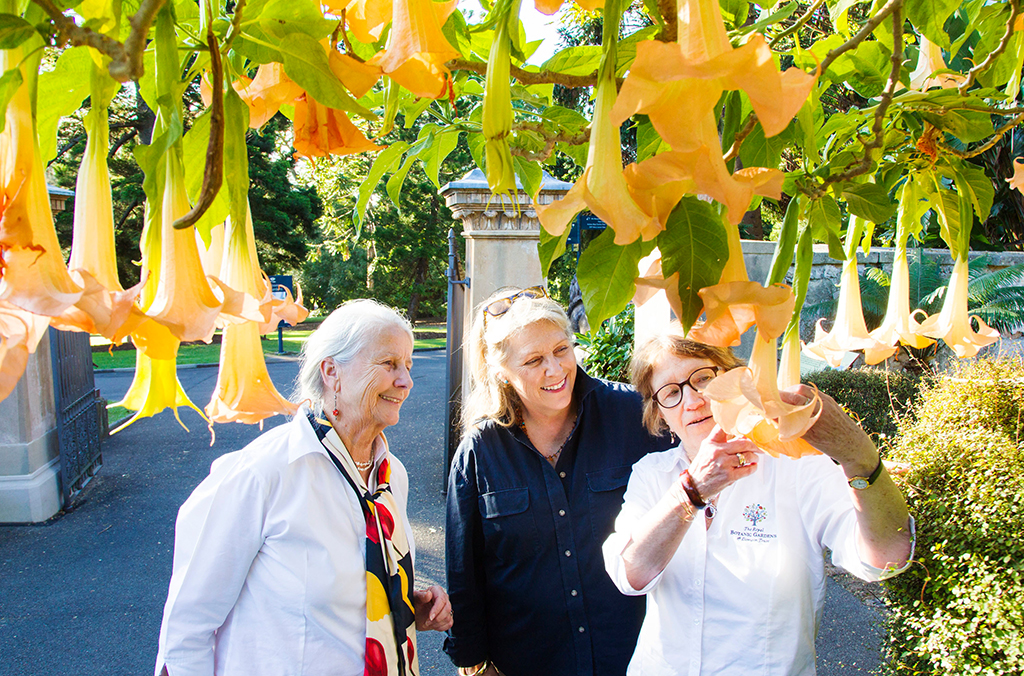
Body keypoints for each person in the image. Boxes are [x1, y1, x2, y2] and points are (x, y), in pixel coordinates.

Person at [155, 299, 452, 676]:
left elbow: (350, 597)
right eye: (389, 364)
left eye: (408, 365)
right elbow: (187, 630)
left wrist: (407, 609)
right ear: (332, 371)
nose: (406, 381)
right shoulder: (266, 471)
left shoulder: (391, 476)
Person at [602, 325, 914, 675]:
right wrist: (691, 491)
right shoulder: (653, 474)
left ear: (736, 378)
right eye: (670, 393)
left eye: (702, 378)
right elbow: (630, 576)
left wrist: (860, 457)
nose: (692, 401)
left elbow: (884, 558)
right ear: (659, 412)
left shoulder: (797, 467)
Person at [444, 287, 672, 676]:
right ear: (500, 369)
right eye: (533, 360)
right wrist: (473, 661)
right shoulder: (479, 453)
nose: (555, 369)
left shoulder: (633, 416)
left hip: (635, 658)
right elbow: (465, 576)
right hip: (527, 661)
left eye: (561, 349)